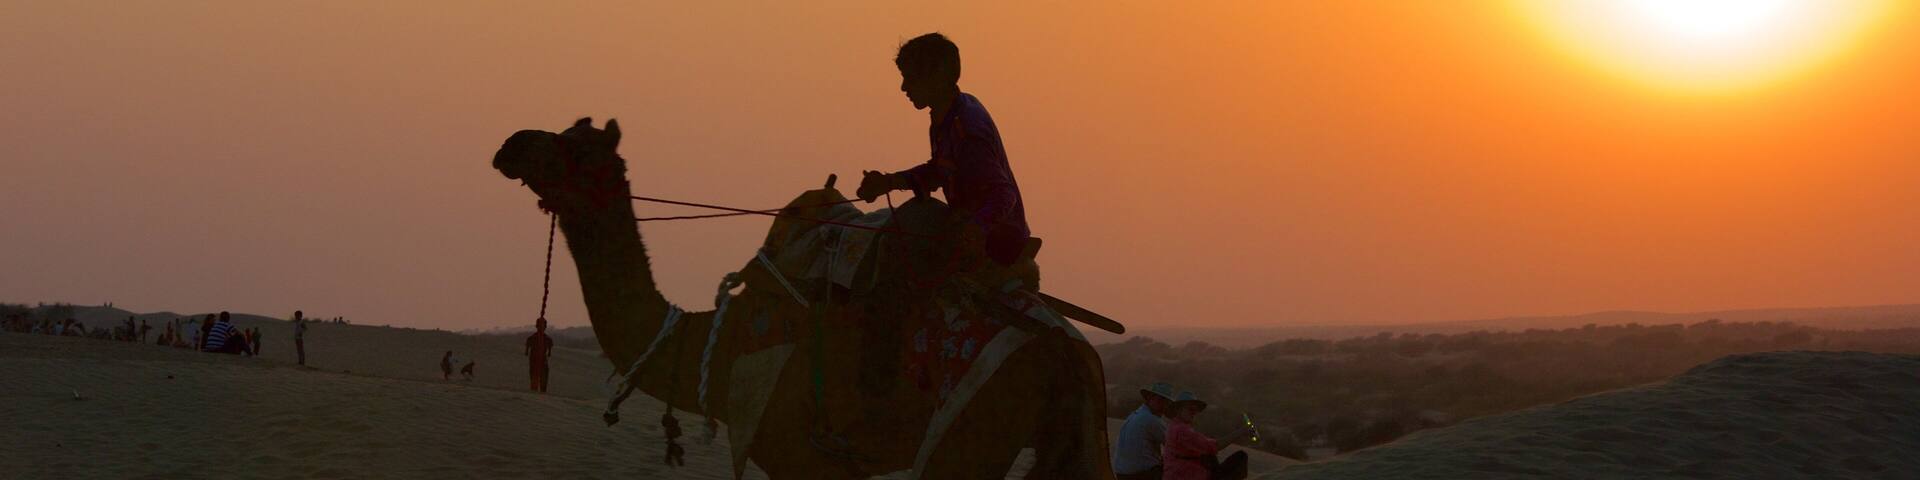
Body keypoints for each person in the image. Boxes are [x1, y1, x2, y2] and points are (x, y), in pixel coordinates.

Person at [856, 32, 1032, 268]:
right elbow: (940, 171)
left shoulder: (968, 129)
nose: (904, 87)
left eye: (911, 78)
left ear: (937, 76)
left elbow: (1003, 194)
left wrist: (976, 227)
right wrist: (888, 182)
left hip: (994, 245)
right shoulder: (946, 117)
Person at [1162, 391, 1253, 480]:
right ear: (1178, 409)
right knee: (1241, 457)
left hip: (1180, 472)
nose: (1194, 413)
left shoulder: (1174, 426)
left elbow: (1205, 444)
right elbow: (1214, 446)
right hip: (1184, 474)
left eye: (1195, 410)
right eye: (1190, 409)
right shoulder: (1181, 430)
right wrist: (1240, 432)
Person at [1114, 382, 1177, 480]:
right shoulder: (1151, 420)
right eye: (1159, 400)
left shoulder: (1134, 415)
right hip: (1141, 474)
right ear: (1149, 398)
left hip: (1122, 474)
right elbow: (1174, 446)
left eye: (1165, 401)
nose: (1163, 404)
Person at [524, 318, 554, 392]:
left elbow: (549, 351)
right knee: (535, 378)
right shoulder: (532, 338)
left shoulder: (547, 339)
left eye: (543, 326)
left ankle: (541, 391)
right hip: (534, 360)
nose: (541, 328)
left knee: (543, 378)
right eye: (540, 326)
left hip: (542, 360)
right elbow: (527, 350)